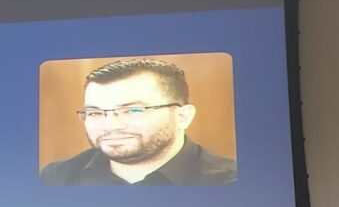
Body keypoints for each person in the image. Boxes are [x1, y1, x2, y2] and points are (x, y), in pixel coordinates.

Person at [40, 58, 236, 185]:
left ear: (182, 116)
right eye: (95, 113)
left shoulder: (229, 181)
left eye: (133, 110)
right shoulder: (57, 178)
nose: (110, 125)